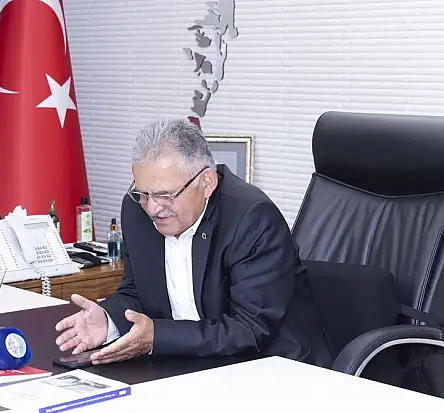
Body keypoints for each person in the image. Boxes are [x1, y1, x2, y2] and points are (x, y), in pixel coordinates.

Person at [54, 118, 333, 368]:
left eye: (165, 195)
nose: (152, 208)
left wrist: (157, 337)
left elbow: (250, 329)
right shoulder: (136, 210)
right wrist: (109, 320)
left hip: (272, 368)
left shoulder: (251, 218)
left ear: (207, 182)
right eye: (143, 193)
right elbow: (136, 290)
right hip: (186, 363)